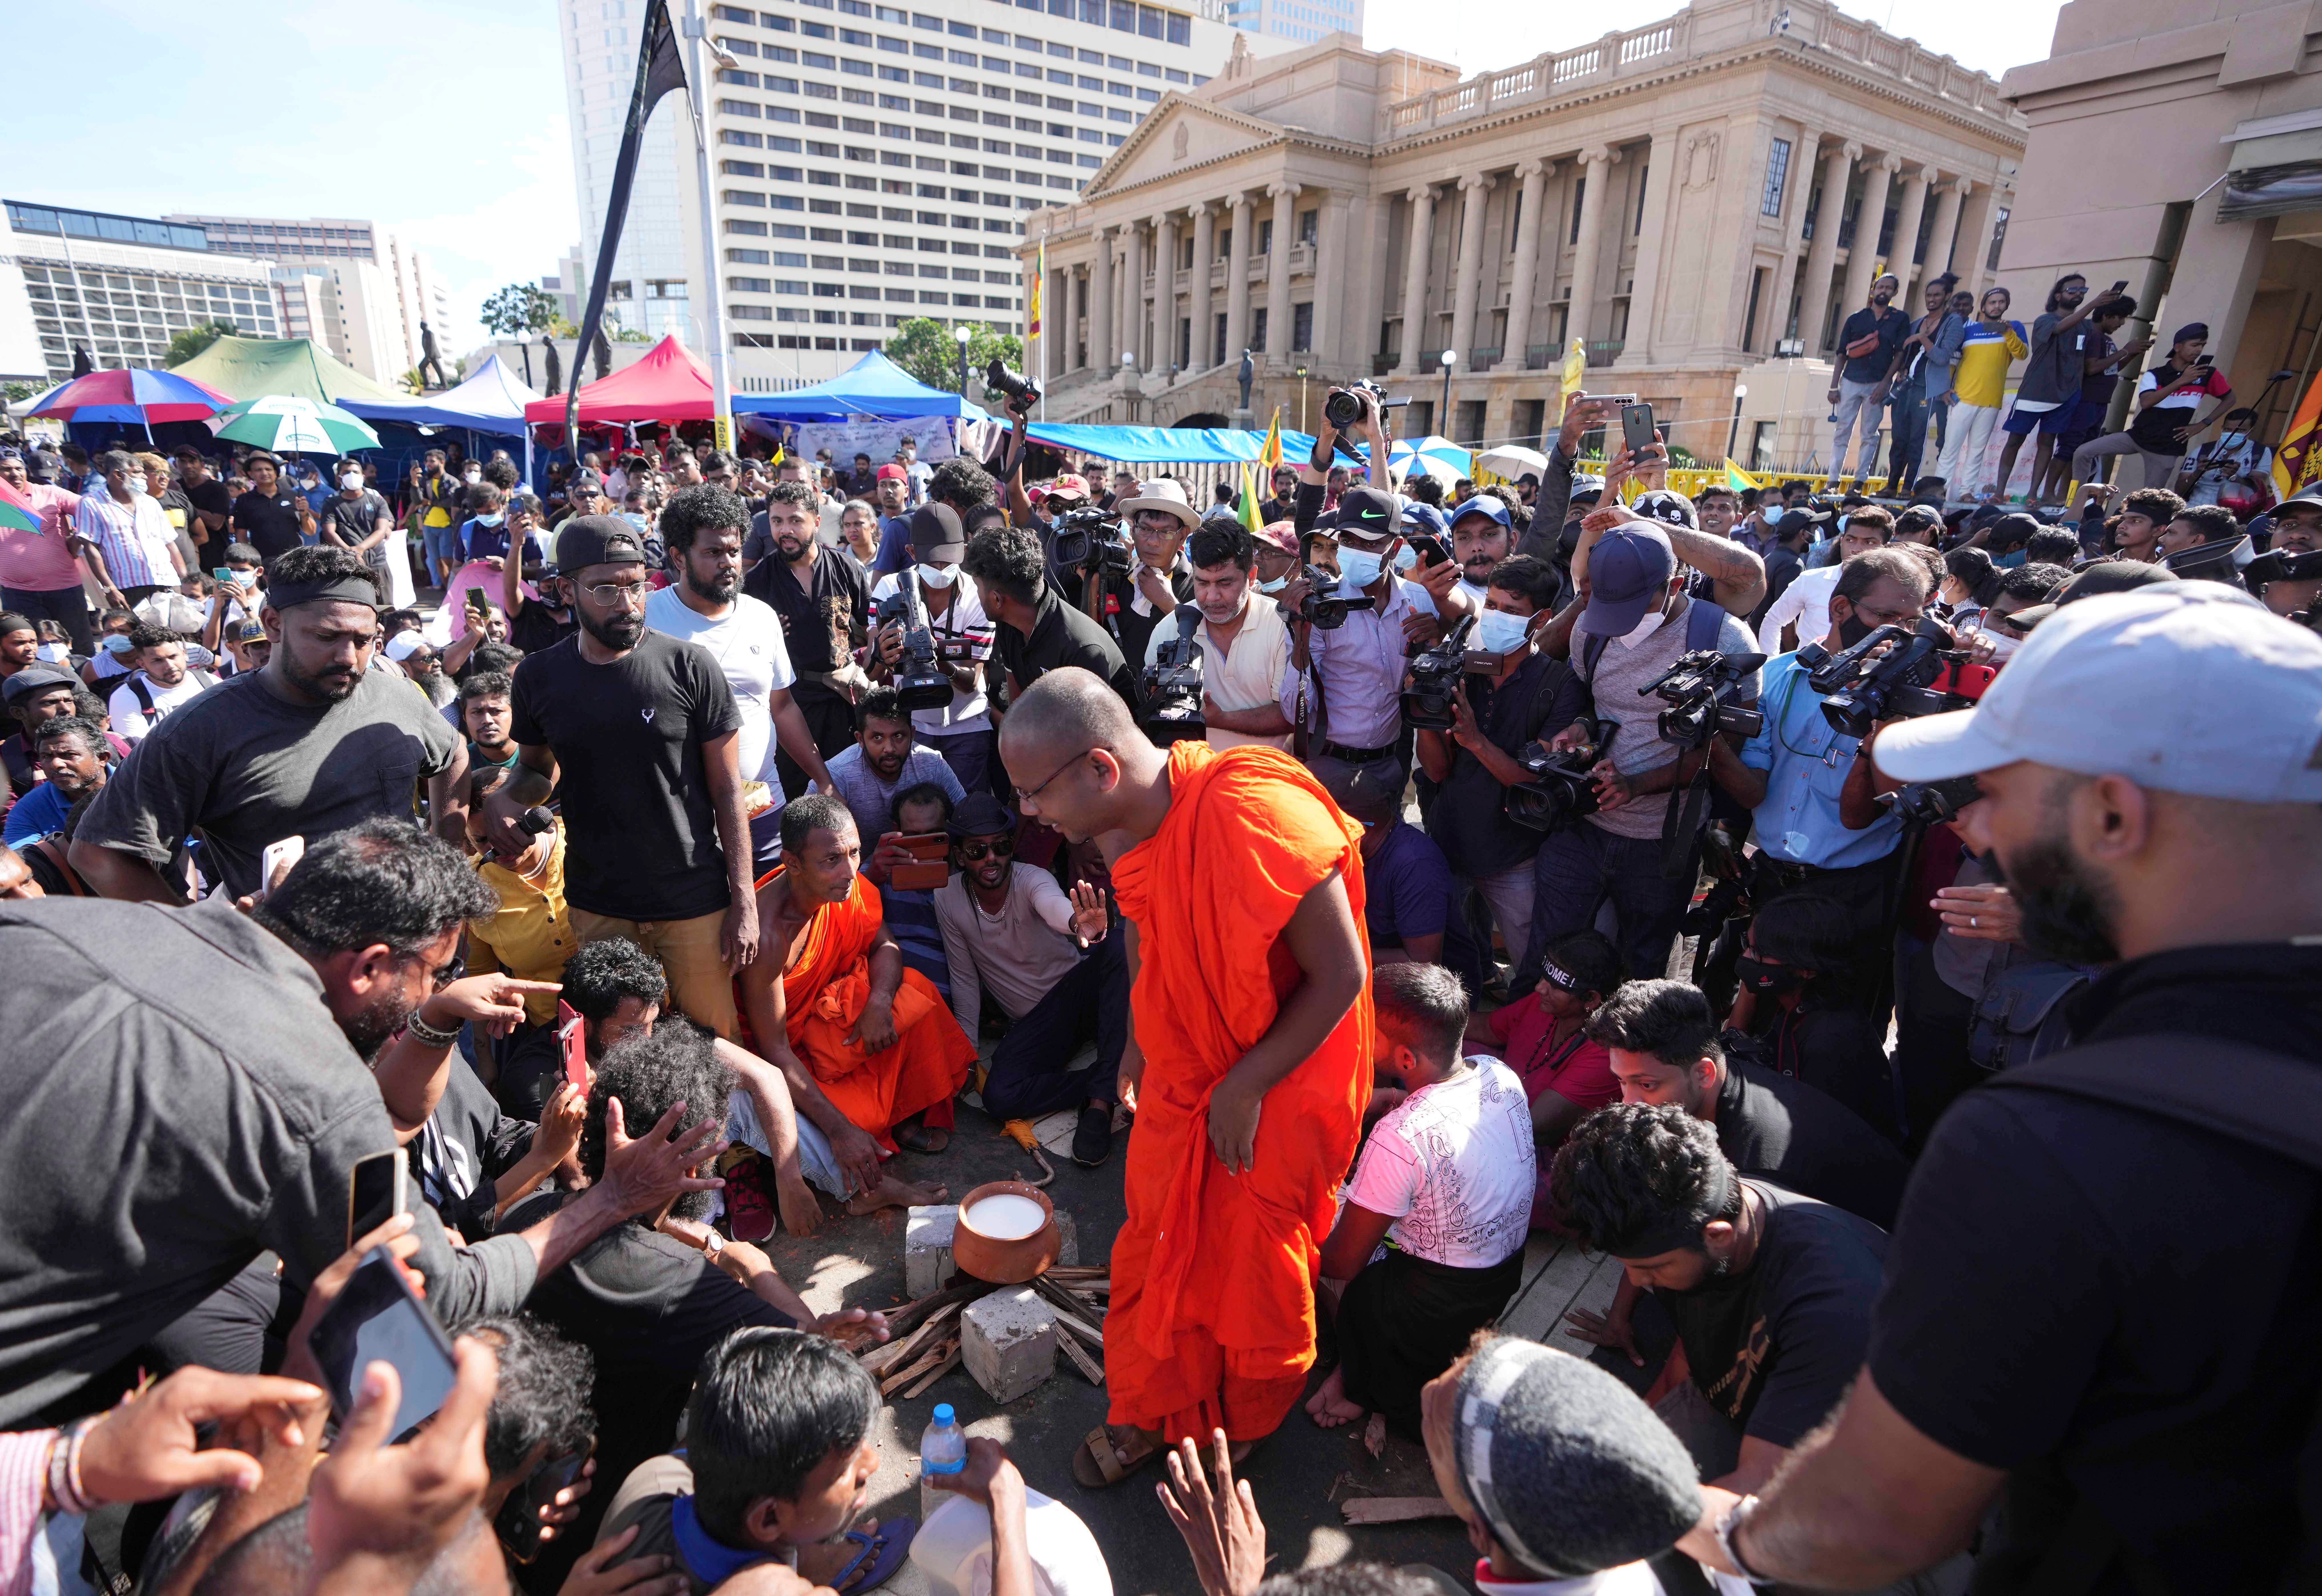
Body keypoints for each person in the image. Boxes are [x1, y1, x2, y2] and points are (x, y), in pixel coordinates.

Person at [1713, 586, 2322, 1592]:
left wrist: (1702, 1525)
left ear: (2112, 813)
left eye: (1994, 791)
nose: (1978, 831)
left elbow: (1867, 1523)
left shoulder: (2045, 1145)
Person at [0, 819, 727, 1427]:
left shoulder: (76, 921)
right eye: (434, 974)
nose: (439, 990)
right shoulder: (315, 1092)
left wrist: (438, 1021)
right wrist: (610, 1200)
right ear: (369, 967)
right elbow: (437, 1290)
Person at [996, 670, 1370, 1488]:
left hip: (1280, 1079)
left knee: (1253, 1273)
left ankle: (1244, 1424)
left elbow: (1340, 976)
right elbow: (1142, 926)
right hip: (1182, 1074)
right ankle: (1156, 1411)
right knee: (1157, 1247)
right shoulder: (1124, 818)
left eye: (1034, 792)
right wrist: (1133, 1044)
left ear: (1099, 768)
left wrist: (1245, 1085)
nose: (1030, 814)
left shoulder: (1254, 811)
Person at [505, 1028, 889, 1584]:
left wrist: (712, 1245)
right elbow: (802, 1355)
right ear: (698, 1162)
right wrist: (753, 1264)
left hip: (520, 1515)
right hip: (625, 1537)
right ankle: (801, 1559)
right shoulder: (673, 1283)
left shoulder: (531, 1220)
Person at [484, 515, 757, 1039]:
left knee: (714, 1042)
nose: (627, 603)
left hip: (693, 899)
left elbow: (728, 792)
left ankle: (724, 1128)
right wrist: (506, 798)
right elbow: (536, 771)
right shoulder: (539, 676)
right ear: (567, 589)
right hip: (598, 903)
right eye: (606, 588)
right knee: (619, 1045)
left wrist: (743, 898)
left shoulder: (690, 666)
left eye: (637, 586)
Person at [72, 546, 467, 903]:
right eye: (327, 636)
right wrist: (195, 936)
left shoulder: (394, 695)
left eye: (363, 640)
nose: (349, 657)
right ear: (273, 624)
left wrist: (446, 857)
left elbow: (453, 753)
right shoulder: (201, 728)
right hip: (291, 967)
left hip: (408, 937)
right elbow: (100, 854)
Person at [1549, 1104, 1891, 1502]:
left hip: (1843, 1472)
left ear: (1718, 1236)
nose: (1640, 1280)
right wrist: (1635, 1430)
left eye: (1652, 1268)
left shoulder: (1832, 1305)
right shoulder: (1695, 1222)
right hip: (1728, 1406)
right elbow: (1693, 1351)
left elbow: (1758, 1491)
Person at [1524, 512, 1762, 987]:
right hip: (1583, 827)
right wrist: (1578, 731)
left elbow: (1720, 755)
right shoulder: (1590, 629)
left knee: (1642, 969)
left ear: (1675, 584)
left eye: (1635, 606)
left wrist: (1634, 785)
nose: (1620, 623)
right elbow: (1595, 705)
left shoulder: (1723, 640)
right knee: (1545, 956)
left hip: (1663, 843)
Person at [1308, 963, 1532, 1439]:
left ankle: (1358, 1374)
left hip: (1421, 1315)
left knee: (1308, 1240)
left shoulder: (1400, 1135)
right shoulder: (1499, 1073)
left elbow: (1343, 1261)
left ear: (1406, 1059)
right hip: (1499, 1283)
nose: (1356, 1038)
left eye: (1367, 1033)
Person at [593, 1327, 947, 1593]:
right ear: (769, 1517)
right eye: (844, 1468)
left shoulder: (655, 1477)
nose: (871, 1464)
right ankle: (808, 1564)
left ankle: (800, 1554)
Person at [739, 791, 976, 1166]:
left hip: (836, 1019)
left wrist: (879, 1002)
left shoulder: (841, 889)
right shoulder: (767, 937)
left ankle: (899, 1113)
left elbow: (886, 944)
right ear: (792, 863)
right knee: (862, 1122)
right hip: (792, 1049)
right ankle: (883, 1117)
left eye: (854, 853)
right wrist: (838, 1130)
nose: (851, 872)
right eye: (832, 860)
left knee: (917, 990)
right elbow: (776, 1050)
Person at [1718, 548, 1929, 944]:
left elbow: (1884, 800)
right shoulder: (1775, 677)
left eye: (1910, 622)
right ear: (1840, 608)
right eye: (1884, 618)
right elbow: (1753, 780)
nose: (1897, 636)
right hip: (1770, 882)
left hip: (1855, 893)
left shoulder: (1915, 702)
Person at [649, 483, 836, 866]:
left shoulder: (761, 617)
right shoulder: (648, 619)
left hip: (764, 815)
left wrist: (824, 779)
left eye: (734, 551)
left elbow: (782, 708)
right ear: (678, 557)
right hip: (682, 821)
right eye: (713, 552)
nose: (728, 563)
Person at [933, 792, 1124, 1163]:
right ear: (959, 856)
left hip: (1075, 994)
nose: (991, 858)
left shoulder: (1030, 878)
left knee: (1117, 944)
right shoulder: (947, 898)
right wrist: (967, 1054)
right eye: (977, 851)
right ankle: (1109, 1078)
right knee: (1000, 1096)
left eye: (1000, 847)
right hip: (1036, 1023)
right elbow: (965, 979)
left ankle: (1100, 1103)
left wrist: (1076, 922)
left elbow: (1054, 907)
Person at [1415, 552, 1585, 967]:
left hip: (1514, 855)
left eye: (1512, 610)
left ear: (1541, 619)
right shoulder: (1463, 667)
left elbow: (1532, 783)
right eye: (1491, 605)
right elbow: (1437, 770)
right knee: (1443, 965)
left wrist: (1476, 741)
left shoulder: (1559, 684)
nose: (1496, 616)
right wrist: (1425, 711)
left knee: (1530, 962)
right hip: (1449, 843)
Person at [745, 478, 874, 795]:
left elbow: (872, 627)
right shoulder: (757, 582)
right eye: (777, 521)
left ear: (816, 522)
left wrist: (867, 673)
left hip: (844, 700)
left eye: (795, 520)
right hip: (790, 705)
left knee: (851, 787)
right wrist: (763, 631)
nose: (785, 530)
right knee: (796, 795)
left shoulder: (847, 568)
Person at [1317, 751, 1482, 995]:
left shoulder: (1415, 864)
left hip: (1429, 999)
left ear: (1357, 828)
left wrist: (1332, 955)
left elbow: (1422, 962)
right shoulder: (1356, 849)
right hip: (1366, 968)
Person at [871, 504, 1000, 792]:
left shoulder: (979, 595)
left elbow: (971, 681)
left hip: (968, 724)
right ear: (912, 552)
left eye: (948, 561)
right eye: (933, 563)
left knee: (969, 809)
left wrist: (936, 654)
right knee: (917, 809)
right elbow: (872, 670)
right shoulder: (889, 590)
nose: (942, 570)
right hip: (913, 724)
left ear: (964, 550)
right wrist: (883, 652)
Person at [1464, 928, 1627, 1152]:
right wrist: (1422, 1017)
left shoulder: (1602, 1055)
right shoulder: (1545, 1006)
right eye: (1544, 977)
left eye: (1556, 986)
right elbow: (1484, 1028)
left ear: (1590, 999)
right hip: (1503, 1120)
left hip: (1549, 1159)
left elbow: (1531, 1129)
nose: (1539, 988)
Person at [1141, 520, 1293, 752]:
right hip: (1190, 776)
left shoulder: (1282, 627)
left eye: (1224, 583)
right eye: (1202, 583)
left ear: (1251, 577)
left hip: (1265, 777)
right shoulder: (1167, 631)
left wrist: (1221, 719)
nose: (1211, 597)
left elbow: (1293, 714)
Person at [963, 525, 1142, 714]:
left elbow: (1093, 732)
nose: (977, 594)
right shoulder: (1007, 624)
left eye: (977, 587)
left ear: (998, 600)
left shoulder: (1081, 649)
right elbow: (1019, 708)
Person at [1993, 276, 2128, 502]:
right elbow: (2058, 329)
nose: (2078, 293)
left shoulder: (2086, 326)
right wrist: (2093, 305)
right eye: (2072, 289)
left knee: (2047, 443)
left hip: (2066, 396)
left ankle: (2033, 494)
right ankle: (1998, 493)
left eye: (2082, 289)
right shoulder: (2044, 320)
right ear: (2058, 296)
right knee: (2015, 441)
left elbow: (2092, 360)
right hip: (2034, 392)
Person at [2071, 320, 2235, 496]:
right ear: (2178, 347)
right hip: (2137, 436)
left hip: (2168, 446)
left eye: (2202, 346)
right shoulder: (2155, 374)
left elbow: (2230, 399)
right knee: (2083, 452)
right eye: (2195, 345)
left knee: (2150, 497)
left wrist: (2203, 424)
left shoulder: (2207, 375)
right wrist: (2181, 381)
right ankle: (2074, 499)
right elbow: (2147, 402)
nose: (2199, 350)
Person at [1753, 507, 1893, 654]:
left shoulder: (1893, 592)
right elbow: (1773, 621)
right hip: (1806, 674)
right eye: (1851, 540)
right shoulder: (1811, 581)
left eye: (1869, 543)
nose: (1856, 549)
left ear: (1887, 548)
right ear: (1842, 541)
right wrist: (1772, 668)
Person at [1881, 273, 1965, 496]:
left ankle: (1908, 487)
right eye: (1928, 295)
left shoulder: (1953, 322)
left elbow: (1941, 357)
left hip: (1928, 390)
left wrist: (1922, 339)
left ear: (1947, 297)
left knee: (1916, 440)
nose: (1931, 299)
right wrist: (1901, 370)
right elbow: (1905, 353)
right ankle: (1891, 486)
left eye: (1937, 295)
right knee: (1898, 438)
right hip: (1905, 387)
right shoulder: (1917, 323)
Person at [0, 448, 90, 655]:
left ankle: (88, 687)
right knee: (32, 651)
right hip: (17, 592)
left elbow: (90, 509)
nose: (15, 474)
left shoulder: (50, 494)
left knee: (79, 646)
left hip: (65, 588)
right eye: (6, 470)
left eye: (19, 468)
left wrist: (79, 536)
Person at [1825, 274, 1910, 491]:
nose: (1883, 291)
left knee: (1869, 434)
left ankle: (1859, 480)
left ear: (1894, 292)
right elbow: (1841, 353)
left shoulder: (1900, 319)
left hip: (1877, 383)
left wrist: (1885, 383)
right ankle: (1833, 479)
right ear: (1873, 290)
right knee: (1842, 430)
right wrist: (1833, 386)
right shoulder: (1856, 318)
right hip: (1851, 379)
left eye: (1888, 288)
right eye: (1880, 287)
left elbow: (1899, 353)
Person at [72, 450, 183, 609]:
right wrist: (110, 588)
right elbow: (91, 549)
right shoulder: (91, 503)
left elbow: (169, 543)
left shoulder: (150, 503)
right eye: (137, 472)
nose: (144, 477)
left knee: (171, 634)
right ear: (118, 475)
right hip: (127, 588)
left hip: (166, 582)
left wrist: (182, 579)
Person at [2, 715, 108, 847]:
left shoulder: (137, 787)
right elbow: (20, 861)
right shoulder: (30, 809)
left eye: (69, 755)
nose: (56, 764)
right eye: (47, 756)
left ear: (102, 758)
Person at [104, 621, 214, 743]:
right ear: (142, 665)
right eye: (158, 661)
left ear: (184, 654)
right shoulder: (125, 698)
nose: (170, 666)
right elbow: (142, 752)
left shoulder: (212, 683)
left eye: (173, 657)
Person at [225, 451, 315, 564]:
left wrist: (304, 513)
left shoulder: (293, 496)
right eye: (259, 470)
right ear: (250, 474)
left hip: (296, 561)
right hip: (264, 562)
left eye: (269, 469)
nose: (264, 473)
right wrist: (247, 561)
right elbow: (241, 535)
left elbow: (311, 531)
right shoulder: (244, 500)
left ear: (276, 473)